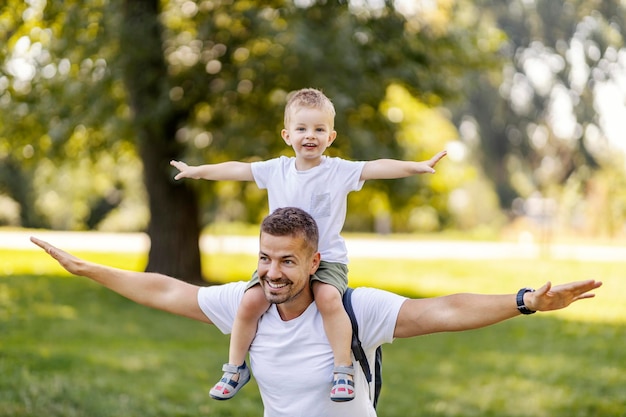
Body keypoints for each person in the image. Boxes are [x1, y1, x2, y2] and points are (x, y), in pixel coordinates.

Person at [31, 207, 602, 417]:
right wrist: (90, 270)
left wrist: (528, 301)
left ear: (314, 263)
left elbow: (444, 310)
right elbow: (165, 291)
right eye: (263, 258)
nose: (272, 272)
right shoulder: (247, 303)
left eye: (286, 261)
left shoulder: (353, 309)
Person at [170, 88, 447, 401]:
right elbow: (236, 169)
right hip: (283, 260)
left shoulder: (339, 171)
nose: (310, 136)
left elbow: (377, 166)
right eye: (302, 129)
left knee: (329, 299)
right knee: (249, 303)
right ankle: (235, 368)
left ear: (331, 136)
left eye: (319, 129)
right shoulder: (276, 170)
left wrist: (418, 166)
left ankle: (343, 369)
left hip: (326, 259)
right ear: (287, 135)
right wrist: (197, 171)